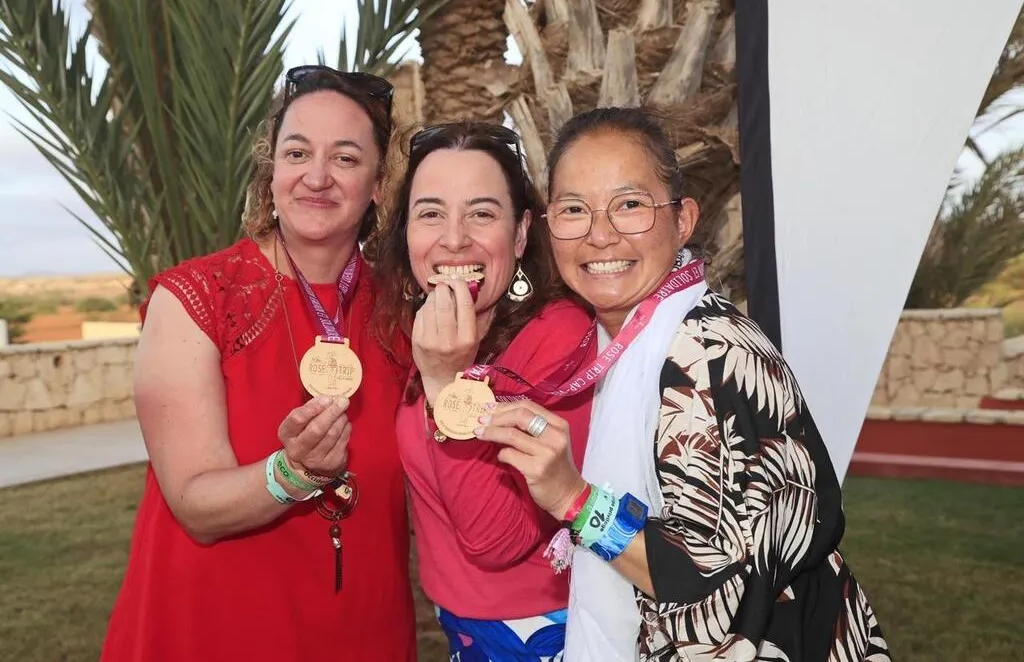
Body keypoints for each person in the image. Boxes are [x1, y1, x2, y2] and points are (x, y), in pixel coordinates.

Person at [477, 107, 892, 662]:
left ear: (684, 220)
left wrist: (574, 500)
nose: (600, 235)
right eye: (574, 209)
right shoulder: (623, 340)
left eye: (629, 205)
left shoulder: (708, 350)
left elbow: (713, 584)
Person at [101, 65, 417, 661]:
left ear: (378, 184)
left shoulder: (404, 314)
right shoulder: (197, 299)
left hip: (362, 630)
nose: (317, 177)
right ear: (272, 172)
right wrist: (294, 473)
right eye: (297, 153)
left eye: (345, 158)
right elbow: (195, 505)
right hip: (215, 633)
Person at [368, 121, 594, 660]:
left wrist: (449, 383)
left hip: (543, 635)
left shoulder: (560, 338)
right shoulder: (411, 329)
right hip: (461, 633)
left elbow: (497, 541)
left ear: (520, 234)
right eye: (430, 214)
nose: (454, 238)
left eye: (482, 214)